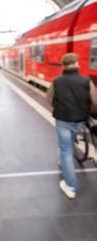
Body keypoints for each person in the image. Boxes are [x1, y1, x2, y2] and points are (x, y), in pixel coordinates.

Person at [46, 53, 97, 199]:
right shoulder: (86, 81)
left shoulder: (57, 81)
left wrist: (60, 105)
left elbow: (48, 99)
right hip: (79, 119)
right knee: (68, 145)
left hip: (62, 119)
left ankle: (70, 186)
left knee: (66, 150)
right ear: (76, 63)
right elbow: (95, 102)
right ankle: (62, 162)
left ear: (63, 65)